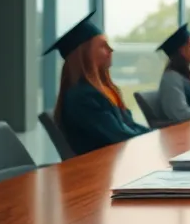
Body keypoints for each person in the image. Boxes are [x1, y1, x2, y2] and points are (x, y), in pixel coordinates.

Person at [48, 11, 148, 155]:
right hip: (101, 169)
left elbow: (130, 126)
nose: (111, 49)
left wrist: (158, 134)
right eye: (103, 46)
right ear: (85, 54)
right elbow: (119, 136)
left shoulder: (106, 90)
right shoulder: (82, 97)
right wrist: (156, 137)